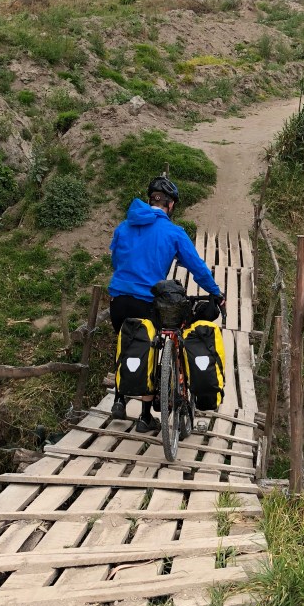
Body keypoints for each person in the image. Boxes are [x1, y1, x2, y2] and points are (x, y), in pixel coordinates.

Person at [109, 176, 224, 432]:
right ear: (170, 205)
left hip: (118, 300)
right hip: (147, 301)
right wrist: (216, 292)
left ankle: (119, 399)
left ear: (150, 199)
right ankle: (144, 417)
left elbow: (116, 261)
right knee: (149, 349)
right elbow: (197, 268)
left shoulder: (124, 227)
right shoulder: (174, 232)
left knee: (126, 343)